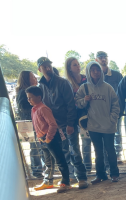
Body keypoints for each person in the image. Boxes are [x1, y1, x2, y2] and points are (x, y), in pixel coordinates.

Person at [37, 57, 89, 189]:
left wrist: (70, 124)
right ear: (40, 69)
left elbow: (71, 105)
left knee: (74, 151)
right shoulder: (41, 86)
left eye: (49, 65)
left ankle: (82, 177)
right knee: (62, 153)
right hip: (53, 126)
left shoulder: (63, 83)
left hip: (67, 124)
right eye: (45, 66)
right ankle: (67, 178)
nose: (48, 68)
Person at [75, 62, 120, 183]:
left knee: (110, 150)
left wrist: (112, 119)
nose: (96, 72)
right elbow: (77, 103)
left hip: (109, 126)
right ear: (88, 72)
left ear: (101, 72)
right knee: (98, 152)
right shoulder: (84, 88)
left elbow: (116, 104)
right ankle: (101, 174)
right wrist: (84, 100)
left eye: (98, 70)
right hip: (93, 125)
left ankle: (114, 173)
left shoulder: (108, 87)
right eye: (93, 70)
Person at [27, 86, 71, 193]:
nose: (29, 100)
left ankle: (66, 181)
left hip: (51, 138)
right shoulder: (34, 109)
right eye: (28, 98)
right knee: (48, 161)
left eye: (30, 98)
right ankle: (48, 181)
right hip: (43, 138)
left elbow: (52, 124)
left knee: (59, 159)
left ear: (39, 97)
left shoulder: (43, 109)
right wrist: (41, 138)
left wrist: (48, 138)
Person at [95, 51, 124, 163]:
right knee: (102, 133)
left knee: (117, 132)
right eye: (101, 58)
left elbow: (122, 92)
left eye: (105, 57)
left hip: (115, 109)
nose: (103, 59)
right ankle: (105, 157)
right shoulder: (95, 75)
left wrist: (120, 108)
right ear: (96, 60)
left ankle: (118, 155)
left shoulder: (117, 75)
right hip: (100, 110)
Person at [65, 57, 92, 172]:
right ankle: (79, 169)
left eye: (78, 64)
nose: (78, 66)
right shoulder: (66, 83)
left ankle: (88, 167)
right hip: (72, 116)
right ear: (69, 68)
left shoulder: (86, 79)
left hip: (86, 114)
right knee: (74, 144)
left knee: (87, 141)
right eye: (74, 65)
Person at [15, 70, 43, 177]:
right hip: (30, 123)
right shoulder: (23, 92)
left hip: (34, 122)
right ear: (26, 79)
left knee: (38, 146)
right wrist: (36, 106)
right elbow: (23, 108)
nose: (35, 79)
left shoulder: (30, 91)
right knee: (35, 146)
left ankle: (40, 168)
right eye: (32, 77)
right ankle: (37, 170)